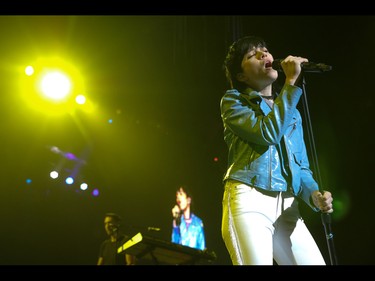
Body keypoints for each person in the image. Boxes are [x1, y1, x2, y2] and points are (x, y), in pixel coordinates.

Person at [220, 35, 334, 265]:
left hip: (288, 207)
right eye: (253, 54)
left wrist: (314, 194)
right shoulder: (234, 101)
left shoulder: (292, 111)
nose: (264, 54)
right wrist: (291, 84)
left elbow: (301, 168)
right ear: (241, 75)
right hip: (249, 201)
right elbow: (267, 133)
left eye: (265, 50)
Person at [171, 186, 206, 251]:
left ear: (188, 200)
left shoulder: (198, 223)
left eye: (181, 194)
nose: (178, 198)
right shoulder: (177, 221)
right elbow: (174, 244)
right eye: (177, 195)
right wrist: (176, 222)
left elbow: (202, 247)